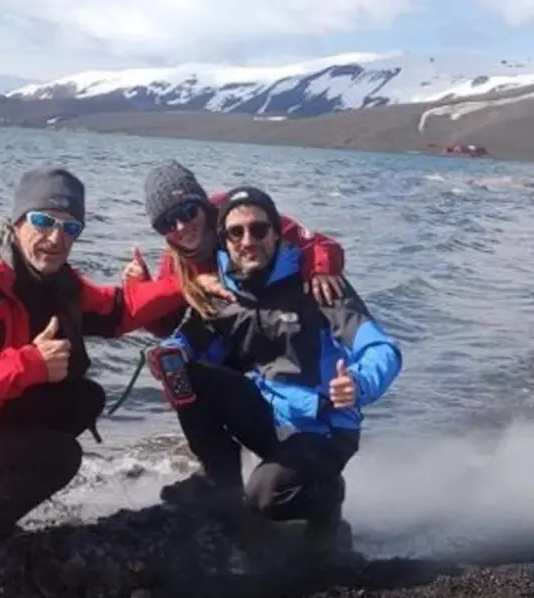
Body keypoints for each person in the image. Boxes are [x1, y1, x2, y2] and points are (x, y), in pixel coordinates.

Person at [0, 167, 205, 589]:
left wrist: (188, 285)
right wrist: (26, 365)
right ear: (17, 222)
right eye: (43, 222)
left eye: (70, 227)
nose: (57, 238)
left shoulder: (54, 281)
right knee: (60, 456)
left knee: (81, 399)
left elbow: (115, 310)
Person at [153, 186, 402, 557]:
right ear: (223, 240)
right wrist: (169, 352)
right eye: (236, 233)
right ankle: (222, 490)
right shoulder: (224, 291)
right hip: (268, 417)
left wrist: (359, 383)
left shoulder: (317, 286)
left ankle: (328, 497)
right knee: (186, 373)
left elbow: (382, 348)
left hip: (324, 427)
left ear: (276, 232)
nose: (248, 240)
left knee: (266, 499)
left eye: (259, 229)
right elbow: (192, 338)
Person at [120, 160, 347, 338]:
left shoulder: (239, 215)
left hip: (284, 317)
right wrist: (141, 286)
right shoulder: (175, 260)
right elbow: (165, 327)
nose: (181, 227)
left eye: (188, 212)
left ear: (204, 206)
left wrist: (321, 269)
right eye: (166, 223)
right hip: (235, 335)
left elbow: (317, 243)